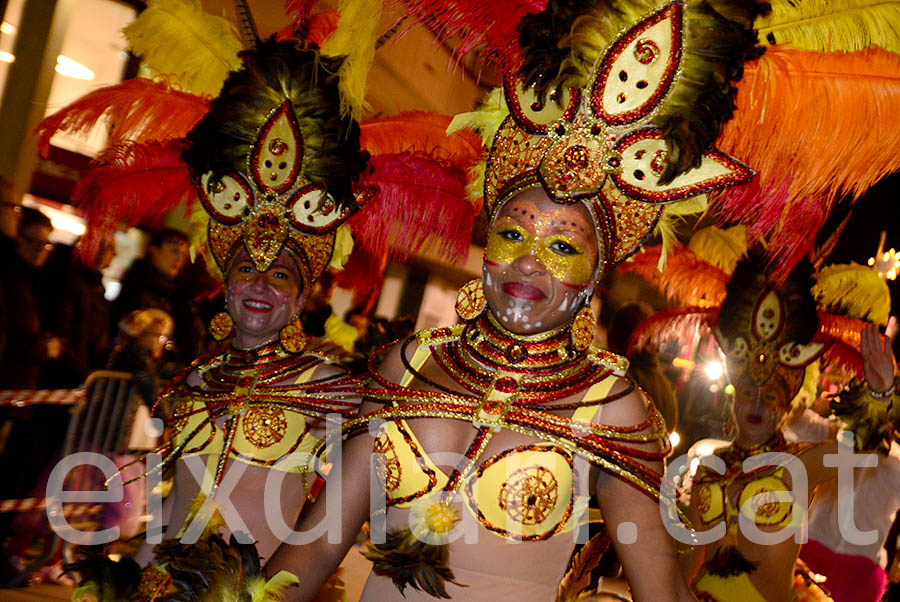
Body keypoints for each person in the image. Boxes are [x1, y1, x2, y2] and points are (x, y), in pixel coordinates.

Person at [266, 2, 764, 600]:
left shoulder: (608, 404)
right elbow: (317, 547)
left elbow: (660, 591)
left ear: (595, 274)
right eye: (513, 233)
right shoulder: (410, 365)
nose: (530, 260)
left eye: (561, 245)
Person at [680, 262, 895, 602]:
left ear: (783, 408)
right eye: (749, 393)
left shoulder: (799, 465)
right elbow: (688, 563)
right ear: (734, 400)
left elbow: (858, 449)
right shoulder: (709, 469)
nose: (758, 406)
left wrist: (880, 393)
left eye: (770, 398)